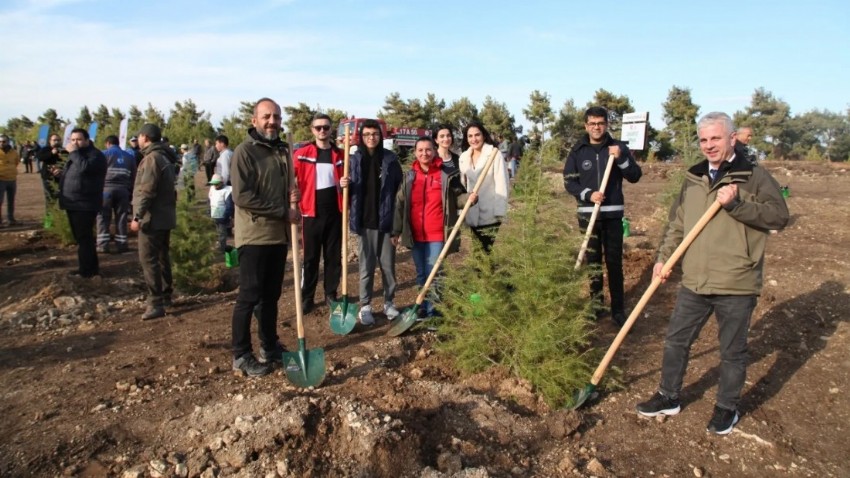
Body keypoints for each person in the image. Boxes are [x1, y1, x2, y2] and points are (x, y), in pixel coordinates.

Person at [635, 112, 789, 435]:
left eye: (716, 138)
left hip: (736, 281)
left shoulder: (753, 176)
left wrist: (737, 204)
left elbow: (778, 217)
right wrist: (663, 258)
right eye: (704, 140)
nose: (709, 145)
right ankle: (668, 395)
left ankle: (726, 408)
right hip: (695, 279)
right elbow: (678, 222)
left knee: (732, 352)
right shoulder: (693, 177)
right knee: (676, 340)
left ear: (732, 138)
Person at [229, 97, 300, 377]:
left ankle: (269, 346)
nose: (272, 122)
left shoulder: (282, 151)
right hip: (254, 236)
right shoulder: (245, 152)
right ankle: (241, 354)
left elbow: (276, 189)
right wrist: (283, 210)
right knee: (249, 296)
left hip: (277, 237)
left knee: (271, 296)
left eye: (277, 117)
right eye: (267, 117)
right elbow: (243, 196)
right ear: (254, 120)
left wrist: (290, 198)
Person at [564, 106, 643, 327]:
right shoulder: (578, 151)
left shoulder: (618, 148)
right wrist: (589, 194)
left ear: (606, 124)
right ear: (586, 126)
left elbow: (635, 176)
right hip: (588, 215)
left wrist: (621, 160)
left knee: (614, 262)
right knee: (594, 263)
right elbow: (569, 182)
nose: (596, 127)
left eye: (600, 123)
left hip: (612, 215)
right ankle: (596, 306)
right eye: (592, 123)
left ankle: (618, 310)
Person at [393, 137, 472, 317]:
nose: (424, 153)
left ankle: (434, 310)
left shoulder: (446, 175)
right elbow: (399, 203)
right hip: (415, 234)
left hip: (437, 233)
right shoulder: (409, 176)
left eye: (428, 149)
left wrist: (468, 199)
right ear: (415, 153)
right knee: (421, 273)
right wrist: (396, 230)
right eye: (420, 150)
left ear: (434, 151)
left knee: (435, 273)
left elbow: (458, 199)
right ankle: (423, 305)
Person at [346, 118, 403, 325]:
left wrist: (398, 226)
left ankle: (389, 302)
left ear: (381, 136)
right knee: (366, 267)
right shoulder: (354, 159)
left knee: (388, 267)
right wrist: (343, 185)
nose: (371, 138)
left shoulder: (390, 159)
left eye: (375, 134)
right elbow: (346, 192)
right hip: (365, 222)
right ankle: (366, 305)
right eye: (367, 134)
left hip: (387, 223)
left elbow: (400, 192)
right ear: (361, 137)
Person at [293, 113, 344, 314]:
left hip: (334, 213)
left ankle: (331, 294)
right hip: (310, 213)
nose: (322, 131)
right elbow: (290, 177)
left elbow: (347, 179)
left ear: (331, 129)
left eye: (326, 127)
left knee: (333, 257)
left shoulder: (340, 155)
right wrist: (291, 193)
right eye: (318, 127)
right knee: (311, 258)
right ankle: (307, 297)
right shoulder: (302, 153)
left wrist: (346, 184)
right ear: (312, 130)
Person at [131, 123, 177, 320]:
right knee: (161, 257)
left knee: (149, 259)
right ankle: (166, 296)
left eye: (139, 137)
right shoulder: (165, 157)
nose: (137, 141)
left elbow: (147, 191)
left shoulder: (151, 159)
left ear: (145, 138)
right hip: (165, 216)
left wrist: (137, 216)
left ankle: (155, 303)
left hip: (153, 218)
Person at [58, 128, 107, 277]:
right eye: (72, 140)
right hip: (73, 202)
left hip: (84, 204)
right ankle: (88, 268)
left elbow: (85, 168)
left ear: (87, 140)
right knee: (82, 239)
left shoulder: (95, 155)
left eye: (78, 139)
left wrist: (73, 153)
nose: (75, 143)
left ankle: (87, 272)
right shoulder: (79, 155)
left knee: (85, 239)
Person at [457, 121, 510, 254]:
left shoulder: (494, 154)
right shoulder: (463, 157)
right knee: (477, 250)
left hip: (490, 213)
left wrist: (499, 212)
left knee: (485, 251)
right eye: (470, 136)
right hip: (472, 211)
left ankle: (485, 274)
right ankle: (482, 274)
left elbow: (502, 183)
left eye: (477, 135)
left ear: (484, 136)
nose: (474, 139)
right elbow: (463, 185)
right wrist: (462, 209)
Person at [97, 135, 136, 253]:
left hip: (105, 190)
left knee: (103, 217)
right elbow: (133, 176)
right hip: (123, 191)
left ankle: (102, 245)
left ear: (107, 143)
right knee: (122, 217)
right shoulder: (129, 156)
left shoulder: (103, 154)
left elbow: (97, 173)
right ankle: (122, 244)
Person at [207, 173, 233, 252]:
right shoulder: (212, 189)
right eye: (214, 184)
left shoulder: (227, 191)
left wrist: (226, 216)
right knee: (216, 232)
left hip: (222, 217)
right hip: (213, 215)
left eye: (217, 184)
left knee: (222, 234)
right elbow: (209, 201)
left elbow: (229, 205)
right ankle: (218, 245)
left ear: (221, 183)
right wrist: (208, 212)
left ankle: (222, 248)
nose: (215, 185)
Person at [0, 134, 21, 227]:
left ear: (8, 142)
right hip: (1, 179)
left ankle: (11, 219)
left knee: (11, 201)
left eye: (3, 141)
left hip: (12, 179)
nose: (1, 143)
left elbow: (16, 162)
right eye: (0, 142)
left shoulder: (14, 152)